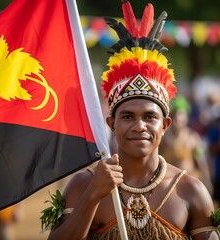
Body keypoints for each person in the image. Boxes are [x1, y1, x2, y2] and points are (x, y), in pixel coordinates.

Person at [43, 1, 220, 239]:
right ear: (111, 124)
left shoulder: (190, 190)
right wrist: (93, 195)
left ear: (165, 125)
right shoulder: (83, 185)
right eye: (127, 116)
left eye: (150, 117)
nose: (139, 126)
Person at [159, 95, 213, 193]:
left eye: (180, 115)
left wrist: (207, 183)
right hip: (168, 186)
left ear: (186, 118)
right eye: (174, 115)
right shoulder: (163, 138)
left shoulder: (193, 137)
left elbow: (201, 163)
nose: (177, 119)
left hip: (190, 184)